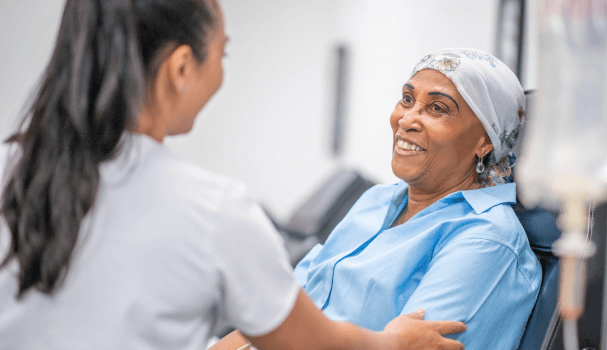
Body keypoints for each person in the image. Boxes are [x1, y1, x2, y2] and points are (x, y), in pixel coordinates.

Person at [0, 1, 467, 349]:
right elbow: (317, 345)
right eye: (221, 55)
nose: (409, 119)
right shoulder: (213, 211)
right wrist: (390, 343)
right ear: (182, 68)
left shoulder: (13, 168)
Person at [291, 49, 543, 349]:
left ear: (485, 140)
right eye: (407, 99)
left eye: (437, 108)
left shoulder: (486, 238)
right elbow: (280, 315)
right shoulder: (376, 200)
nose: (407, 119)